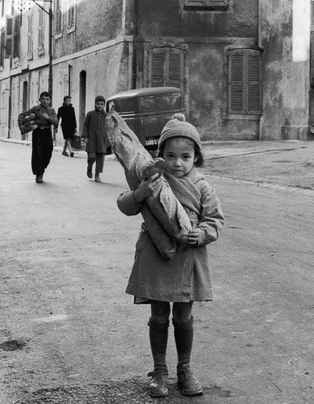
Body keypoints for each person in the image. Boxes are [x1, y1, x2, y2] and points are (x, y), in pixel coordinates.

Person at [116, 115, 224, 398]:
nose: (178, 163)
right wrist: (140, 193)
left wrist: (201, 234)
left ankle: (185, 369)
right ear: (160, 156)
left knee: (184, 315)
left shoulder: (202, 187)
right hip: (155, 254)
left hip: (188, 258)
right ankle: (160, 371)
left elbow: (215, 220)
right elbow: (125, 205)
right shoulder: (152, 180)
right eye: (171, 155)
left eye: (186, 156)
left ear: (196, 157)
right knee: (160, 314)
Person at [18, 91, 58, 184]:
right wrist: (21, 125)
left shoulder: (51, 111)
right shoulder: (35, 109)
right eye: (43, 99)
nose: (45, 101)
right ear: (39, 99)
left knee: (48, 153)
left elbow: (56, 122)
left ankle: (42, 169)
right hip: (38, 133)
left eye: (47, 99)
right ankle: (39, 174)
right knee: (38, 153)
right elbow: (22, 115)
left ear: (50, 101)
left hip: (47, 133)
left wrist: (48, 118)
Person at [82, 95, 108, 182]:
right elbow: (85, 125)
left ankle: (97, 175)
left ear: (104, 105)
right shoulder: (90, 114)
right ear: (95, 104)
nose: (100, 106)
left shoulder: (107, 116)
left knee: (100, 158)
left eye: (102, 104)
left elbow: (109, 128)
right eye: (98, 104)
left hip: (102, 139)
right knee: (91, 156)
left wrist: (108, 139)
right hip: (91, 139)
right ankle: (89, 167)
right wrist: (85, 136)